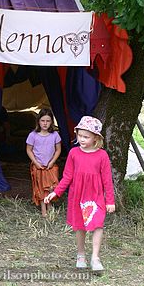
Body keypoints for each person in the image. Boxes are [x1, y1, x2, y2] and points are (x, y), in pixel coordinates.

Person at [44, 116, 115, 272]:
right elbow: (67, 176)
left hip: (95, 197)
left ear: (96, 138)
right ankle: (81, 254)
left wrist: (110, 200)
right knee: (80, 227)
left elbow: (107, 180)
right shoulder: (74, 153)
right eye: (79, 135)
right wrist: (56, 193)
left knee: (98, 225)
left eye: (86, 137)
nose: (81, 139)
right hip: (77, 196)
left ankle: (95, 258)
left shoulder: (102, 155)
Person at [26, 108, 62, 217]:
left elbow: (58, 149)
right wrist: (36, 162)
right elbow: (29, 150)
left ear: (51, 122)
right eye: (43, 121)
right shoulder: (33, 135)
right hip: (38, 166)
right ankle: (43, 209)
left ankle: (49, 204)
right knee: (40, 187)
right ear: (38, 121)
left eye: (48, 121)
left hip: (50, 166)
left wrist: (52, 161)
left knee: (51, 186)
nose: (45, 123)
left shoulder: (55, 135)